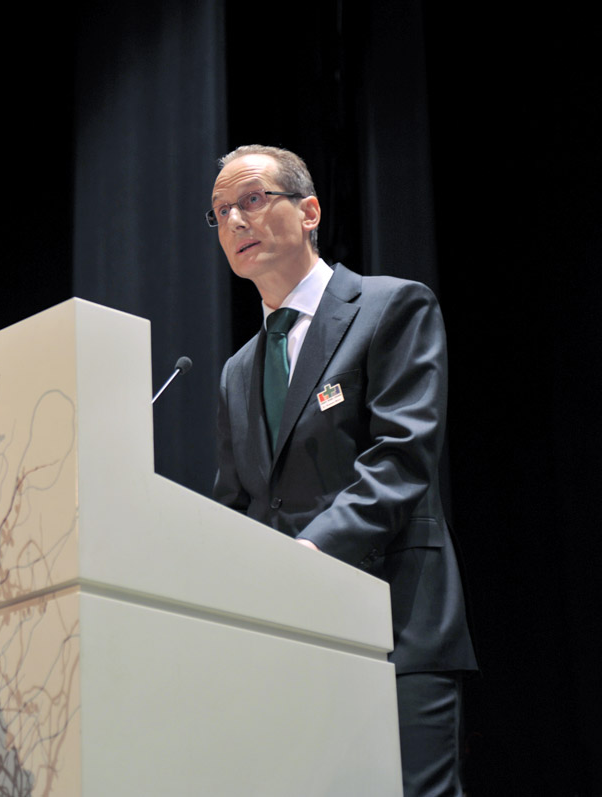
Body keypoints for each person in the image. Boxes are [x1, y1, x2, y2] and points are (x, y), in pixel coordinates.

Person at [210, 145, 477, 796]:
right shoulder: (236, 371)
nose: (236, 222)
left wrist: (307, 552)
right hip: (293, 638)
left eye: (252, 199)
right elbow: (238, 506)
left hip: (396, 626)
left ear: (309, 211)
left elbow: (402, 455)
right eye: (220, 213)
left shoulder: (391, 308)